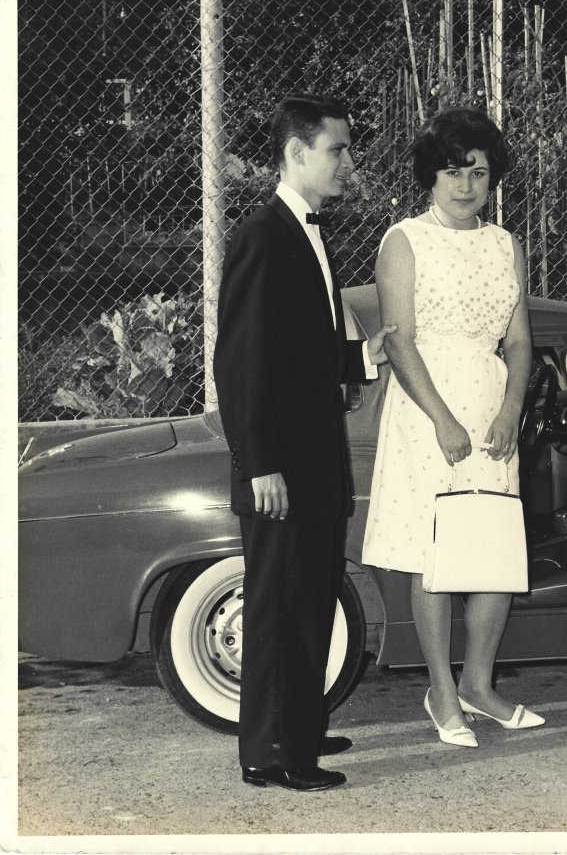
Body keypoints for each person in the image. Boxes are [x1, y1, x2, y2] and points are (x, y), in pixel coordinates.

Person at [213, 93, 395, 791]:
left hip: (312, 461)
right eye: (337, 149)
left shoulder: (307, 234)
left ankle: (298, 729)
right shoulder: (263, 237)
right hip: (281, 468)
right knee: (282, 608)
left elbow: (299, 351)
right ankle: (275, 755)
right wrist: (260, 463)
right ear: (296, 153)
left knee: (311, 599)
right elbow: (242, 361)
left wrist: (361, 359)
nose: (348, 161)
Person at [362, 106, 544, 747]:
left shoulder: (505, 244)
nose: (466, 186)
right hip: (426, 409)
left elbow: (518, 341)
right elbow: (399, 340)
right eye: (452, 172)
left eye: (478, 172)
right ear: (430, 176)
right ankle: (441, 691)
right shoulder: (404, 240)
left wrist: (511, 409)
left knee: (493, 553)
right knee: (433, 554)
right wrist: (441, 418)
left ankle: (479, 686)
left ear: (493, 178)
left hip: (492, 406)